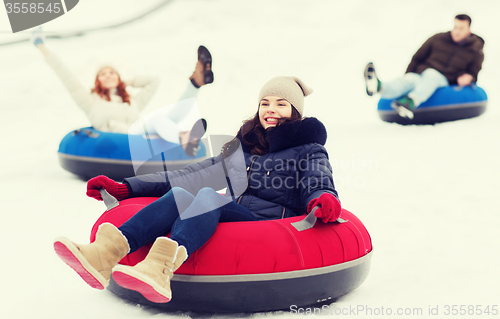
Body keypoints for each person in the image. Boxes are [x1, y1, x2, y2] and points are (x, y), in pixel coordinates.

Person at [53, 76, 342, 303]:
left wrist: (323, 198)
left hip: (271, 224)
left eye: (281, 103)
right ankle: (104, 253)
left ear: (295, 111)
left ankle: (161, 268)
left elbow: (317, 180)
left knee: (207, 196)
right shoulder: (244, 147)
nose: (271, 109)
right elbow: (194, 173)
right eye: (265, 102)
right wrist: (126, 187)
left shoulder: (308, 149)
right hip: (235, 213)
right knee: (182, 193)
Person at [31, 27, 213, 156]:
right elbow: (65, 74)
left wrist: (127, 82)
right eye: (103, 74)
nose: (108, 75)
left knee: (166, 117)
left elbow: (153, 82)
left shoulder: (131, 101)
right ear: (97, 81)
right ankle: (185, 137)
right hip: (120, 141)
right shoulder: (90, 101)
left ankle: (195, 84)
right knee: (158, 120)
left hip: (142, 136)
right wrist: (41, 45)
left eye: (112, 73)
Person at [364, 14, 484, 119]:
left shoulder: (475, 50)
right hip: (421, 74)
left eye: (461, 28)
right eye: (455, 27)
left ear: (469, 30)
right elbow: (417, 57)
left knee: (432, 75)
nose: (457, 31)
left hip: (444, 80)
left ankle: (410, 102)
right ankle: (379, 87)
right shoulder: (438, 38)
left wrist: (468, 77)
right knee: (408, 80)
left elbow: (474, 72)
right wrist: (409, 73)